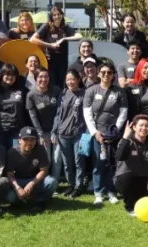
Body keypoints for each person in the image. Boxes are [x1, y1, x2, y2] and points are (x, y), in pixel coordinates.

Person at [83, 62, 128, 206]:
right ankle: (98, 193)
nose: (106, 75)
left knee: (111, 163)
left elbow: (123, 113)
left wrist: (115, 131)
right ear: (98, 74)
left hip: (113, 133)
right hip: (97, 134)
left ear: (113, 75)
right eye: (103, 72)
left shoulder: (119, 91)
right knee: (98, 163)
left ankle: (111, 191)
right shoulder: (91, 90)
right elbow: (87, 113)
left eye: (109, 72)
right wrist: (95, 133)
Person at [114, 115, 148, 216]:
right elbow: (119, 156)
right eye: (141, 125)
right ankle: (130, 207)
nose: (144, 128)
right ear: (134, 127)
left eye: (147, 126)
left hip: (145, 180)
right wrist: (125, 137)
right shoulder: (126, 142)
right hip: (126, 180)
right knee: (128, 177)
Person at [50, 69, 86, 198]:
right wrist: (54, 131)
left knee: (78, 161)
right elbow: (58, 114)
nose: (70, 82)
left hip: (78, 133)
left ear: (78, 79)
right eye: (68, 79)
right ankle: (71, 185)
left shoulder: (84, 94)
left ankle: (78, 186)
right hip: (63, 133)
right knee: (67, 163)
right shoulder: (63, 93)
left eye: (72, 79)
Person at [4, 126, 58, 212]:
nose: (29, 142)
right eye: (26, 139)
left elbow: (44, 170)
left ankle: (39, 202)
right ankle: (20, 201)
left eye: (32, 139)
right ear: (19, 140)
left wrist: (31, 184)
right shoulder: (12, 152)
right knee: (9, 196)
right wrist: (17, 188)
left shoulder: (40, 149)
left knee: (52, 182)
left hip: (35, 180)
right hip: (19, 181)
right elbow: (9, 175)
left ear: (36, 140)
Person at [31, 6, 82, 86]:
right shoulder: (46, 26)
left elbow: (79, 36)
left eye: (59, 14)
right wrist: (50, 45)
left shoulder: (65, 27)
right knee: (51, 81)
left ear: (62, 15)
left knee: (62, 82)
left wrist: (64, 39)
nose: (57, 17)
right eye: (54, 15)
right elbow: (33, 39)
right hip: (49, 59)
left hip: (63, 60)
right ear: (51, 17)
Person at [25, 67, 61, 169]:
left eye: (46, 77)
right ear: (36, 78)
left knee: (57, 158)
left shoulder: (56, 90)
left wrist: (54, 131)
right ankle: (46, 180)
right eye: (40, 77)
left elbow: (59, 112)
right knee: (46, 158)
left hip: (57, 129)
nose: (44, 79)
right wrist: (40, 135)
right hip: (41, 131)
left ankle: (55, 180)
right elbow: (33, 117)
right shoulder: (31, 95)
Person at [0, 65, 28, 148]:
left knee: (16, 154)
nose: (10, 77)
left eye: (13, 75)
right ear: (2, 75)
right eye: (7, 74)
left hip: (17, 129)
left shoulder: (22, 90)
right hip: (1, 130)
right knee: (1, 154)